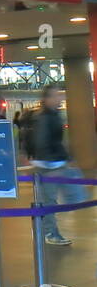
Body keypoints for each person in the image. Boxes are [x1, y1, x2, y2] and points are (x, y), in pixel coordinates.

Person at [29, 83, 86, 246]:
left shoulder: (55, 115)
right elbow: (42, 143)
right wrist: (49, 164)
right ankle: (50, 232)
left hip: (57, 163)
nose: (59, 98)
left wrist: (68, 158)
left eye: (59, 94)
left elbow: (57, 141)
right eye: (55, 95)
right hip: (48, 166)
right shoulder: (44, 118)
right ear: (46, 99)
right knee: (49, 200)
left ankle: (45, 226)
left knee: (74, 195)